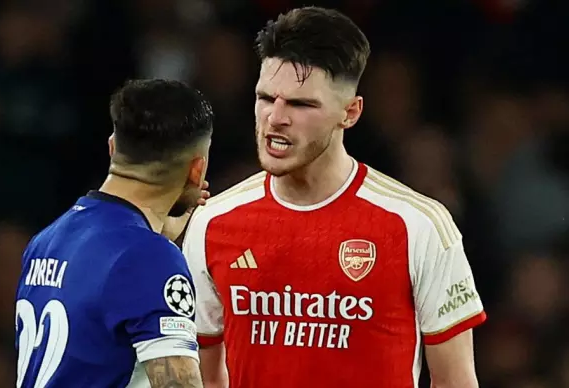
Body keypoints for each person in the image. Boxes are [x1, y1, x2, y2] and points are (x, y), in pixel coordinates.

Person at [182, 7, 486, 388]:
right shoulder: (213, 221)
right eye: (265, 98)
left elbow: (456, 381)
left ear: (350, 113)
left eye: (300, 104)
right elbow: (205, 377)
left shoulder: (418, 226)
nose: (275, 117)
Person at [14, 79, 213, 388]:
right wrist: (157, 252)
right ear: (196, 170)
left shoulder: (46, 241)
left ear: (112, 147)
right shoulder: (149, 258)